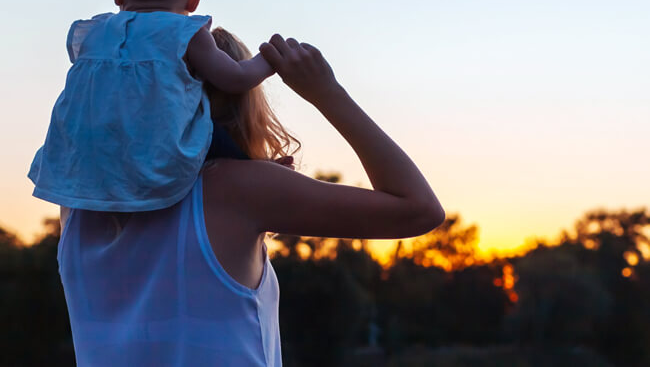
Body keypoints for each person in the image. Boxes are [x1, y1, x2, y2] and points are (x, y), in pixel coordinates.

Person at [57, 29, 445, 366]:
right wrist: (327, 92)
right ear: (241, 105)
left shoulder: (75, 202)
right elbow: (418, 209)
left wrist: (258, 188)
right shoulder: (241, 191)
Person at [28, 0, 274, 212]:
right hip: (157, 154)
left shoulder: (93, 32)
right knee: (208, 126)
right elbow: (233, 78)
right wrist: (270, 59)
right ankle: (263, 172)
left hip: (85, 156)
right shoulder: (185, 32)